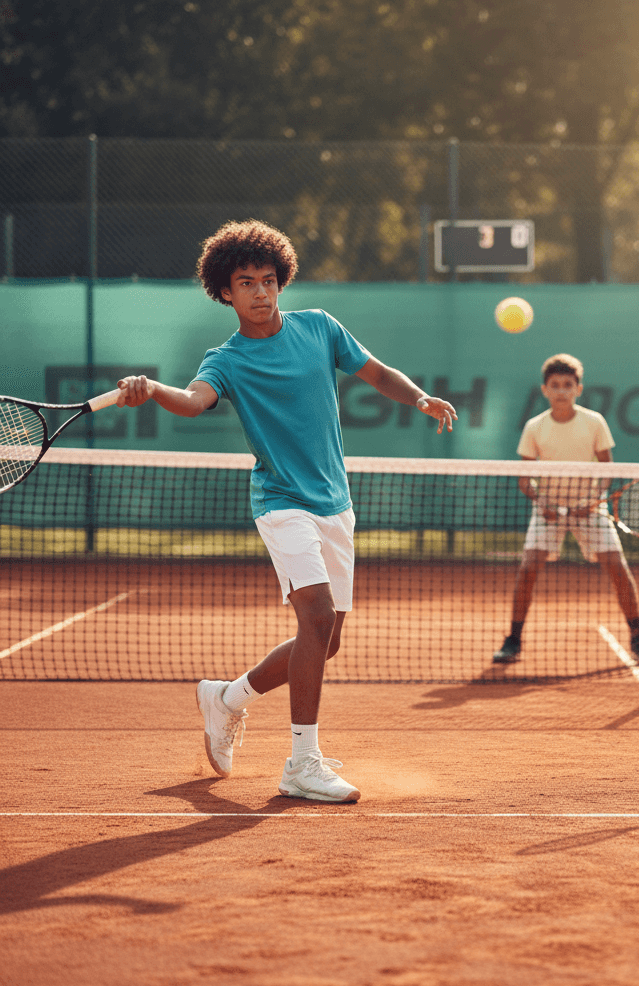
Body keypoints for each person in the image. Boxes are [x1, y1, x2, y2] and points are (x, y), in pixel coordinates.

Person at [116, 220, 457, 802]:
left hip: (336, 502)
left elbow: (376, 372)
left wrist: (419, 396)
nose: (260, 292)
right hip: (281, 503)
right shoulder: (225, 360)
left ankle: (227, 699)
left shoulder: (320, 328)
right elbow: (196, 402)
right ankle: (303, 763)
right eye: (245, 283)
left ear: (282, 281)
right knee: (317, 619)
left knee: (326, 640)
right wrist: (154, 390)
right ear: (224, 291)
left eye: (269, 280)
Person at [492, 353, 639, 665]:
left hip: (590, 508)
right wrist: (542, 503)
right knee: (527, 568)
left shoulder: (594, 422)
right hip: (549, 509)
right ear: (545, 390)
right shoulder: (534, 427)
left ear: (578, 389)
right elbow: (525, 480)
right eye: (554, 385)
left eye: (568, 385)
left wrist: (591, 501)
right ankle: (512, 639)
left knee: (617, 568)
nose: (561, 391)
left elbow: (606, 470)